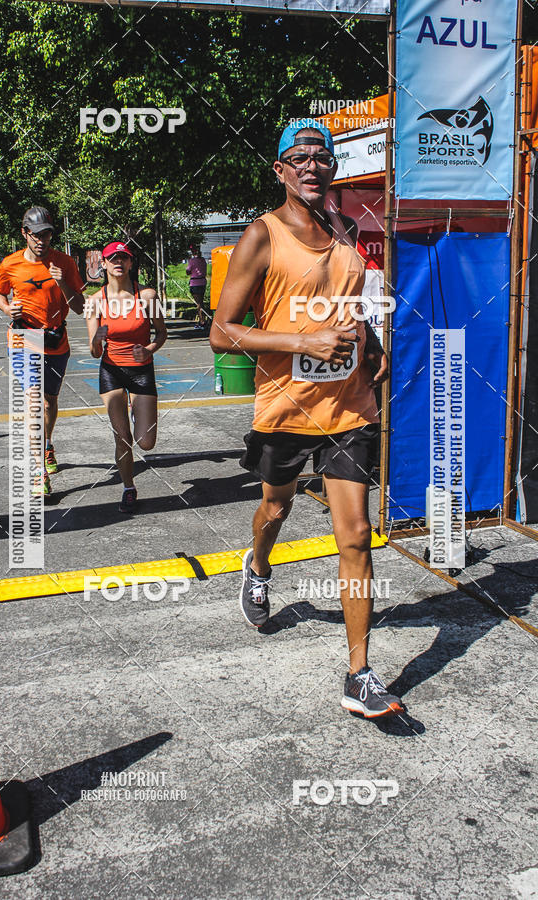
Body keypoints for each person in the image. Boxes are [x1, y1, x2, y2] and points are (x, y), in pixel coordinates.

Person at [210, 119, 404, 720]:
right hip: (286, 408)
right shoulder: (261, 235)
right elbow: (221, 333)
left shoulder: (345, 230)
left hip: (350, 408)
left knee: (355, 536)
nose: (314, 165)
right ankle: (259, 563)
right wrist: (304, 340)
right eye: (301, 157)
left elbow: (351, 307)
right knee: (276, 507)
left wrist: (372, 345)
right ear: (280, 170)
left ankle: (360, 673)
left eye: (323, 157)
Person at [0, 206, 85, 494]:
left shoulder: (65, 263)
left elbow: (81, 308)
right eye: (37, 235)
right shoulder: (10, 264)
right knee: (33, 402)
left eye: (47, 235)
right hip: (23, 337)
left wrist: (61, 283)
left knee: (49, 402)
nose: (42, 241)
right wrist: (8, 307)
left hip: (56, 340)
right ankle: (38, 473)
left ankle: (46, 444)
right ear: (25, 233)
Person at [86, 241, 167, 513]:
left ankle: (136, 410)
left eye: (124, 258)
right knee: (122, 437)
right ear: (104, 265)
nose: (118, 263)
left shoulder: (147, 297)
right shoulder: (95, 302)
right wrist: (97, 341)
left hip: (141, 369)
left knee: (146, 442)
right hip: (112, 371)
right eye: (113, 258)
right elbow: (94, 351)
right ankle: (129, 487)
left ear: (131, 263)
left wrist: (150, 349)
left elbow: (161, 334)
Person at [186, 245, 207, 329]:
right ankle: (202, 320)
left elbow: (188, 271)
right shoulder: (203, 260)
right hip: (202, 282)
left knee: (198, 304)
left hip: (195, 283)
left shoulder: (192, 261)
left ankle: (202, 322)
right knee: (201, 302)